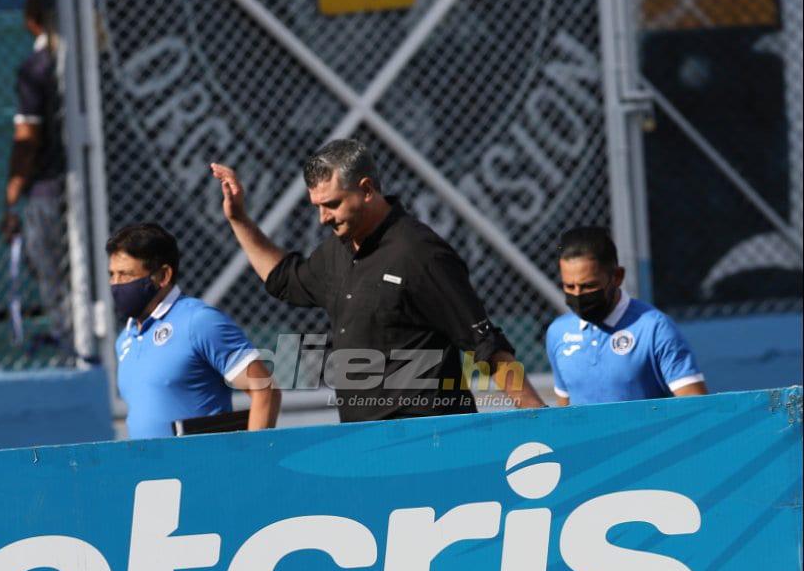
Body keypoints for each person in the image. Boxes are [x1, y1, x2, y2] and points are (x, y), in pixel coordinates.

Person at [210, 140, 545, 423]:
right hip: (364, 447)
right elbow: (284, 278)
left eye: (332, 205)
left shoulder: (420, 254)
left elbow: (486, 346)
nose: (323, 218)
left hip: (430, 442)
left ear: (367, 190)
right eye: (317, 206)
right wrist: (239, 220)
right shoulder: (336, 253)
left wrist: (543, 424)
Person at [108, 223, 281, 439]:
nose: (115, 284)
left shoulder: (199, 322)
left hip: (202, 468)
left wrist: (250, 458)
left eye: (126, 275)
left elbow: (265, 390)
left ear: (163, 276)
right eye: (112, 275)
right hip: (149, 470)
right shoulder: (124, 339)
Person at [547, 226, 707, 406]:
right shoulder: (558, 332)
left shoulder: (655, 329)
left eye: (588, 286)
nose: (578, 294)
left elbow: (696, 408)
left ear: (617, 276)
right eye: (569, 287)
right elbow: (564, 410)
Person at [0, 0, 69, 350]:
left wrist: (12, 192)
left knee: (50, 266)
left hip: (47, 185)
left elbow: (27, 139)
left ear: (31, 18)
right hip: (88, 184)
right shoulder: (88, 62)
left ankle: (68, 335)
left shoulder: (37, 68)